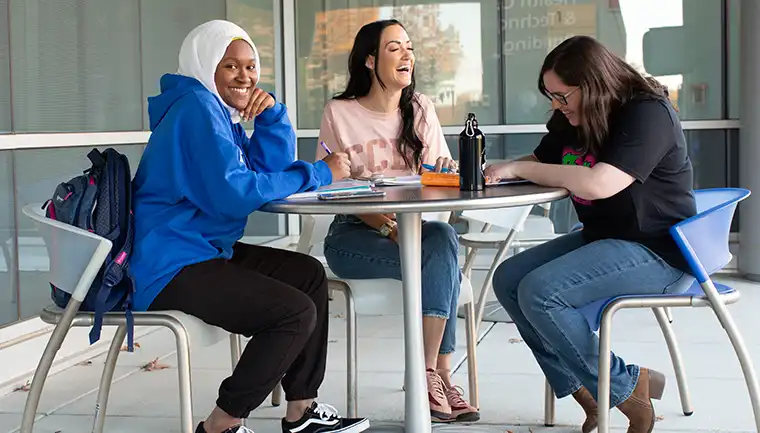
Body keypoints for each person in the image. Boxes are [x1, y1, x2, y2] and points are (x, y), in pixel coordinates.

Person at [129, 20, 369, 433]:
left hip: (202, 249)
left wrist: (273, 116)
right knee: (293, 313)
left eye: (251, 66)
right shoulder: (195, 109)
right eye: (230, 66)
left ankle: (301, 411)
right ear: (206, 66)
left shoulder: (217, 112)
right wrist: (320, 173)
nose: (245, 76)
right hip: (168, 261)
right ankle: (222, 423)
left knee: (307, 275)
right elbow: (235, 193)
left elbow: (267, 171)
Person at [484, 35, 697, 433]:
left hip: (659, 252)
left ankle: (625, 390)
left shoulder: (647, 112)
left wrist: (519, 169)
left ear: (594, 85)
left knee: (541, 292)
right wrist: (503, 168)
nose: (556, 106)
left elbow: (599, 183)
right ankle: (597, 395)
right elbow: (543, 159)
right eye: (551, 96)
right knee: (509, 279)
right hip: (606, 239)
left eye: (562, 96)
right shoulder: (573, 117)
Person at [315, 19, 479, 424]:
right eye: (395, 48)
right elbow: (335, 188)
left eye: (409, 47)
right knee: (441, 259)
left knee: (440, 241)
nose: (407, 55)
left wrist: (445, 170)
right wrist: (387, 227)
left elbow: (440, 184)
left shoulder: (421, 109)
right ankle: (437, 374)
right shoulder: (340, 111)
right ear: (370, 61)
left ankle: (428, 374)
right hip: (355, 235)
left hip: (418, 232)